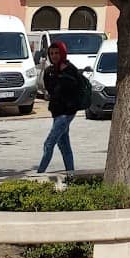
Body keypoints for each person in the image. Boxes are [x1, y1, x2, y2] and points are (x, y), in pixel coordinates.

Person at [37, 41, 85, 174]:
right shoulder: (49, 71)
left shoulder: (70, 70)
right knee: (63, 144)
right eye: (51, 53)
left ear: (62, 53)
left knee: (49, 143)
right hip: (57, 112)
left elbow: (77, 90)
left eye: (57, 53)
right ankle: (71, 173)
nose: (54, 56)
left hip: (67, 113)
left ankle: (39, 174)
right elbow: (50, 90)